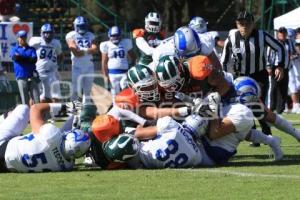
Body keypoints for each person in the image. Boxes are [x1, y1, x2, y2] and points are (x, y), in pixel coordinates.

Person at [221, 11, 286, 143]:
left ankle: (265, 130)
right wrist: (226, 78)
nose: (244, 26)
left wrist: (279, 66)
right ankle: (256, 134)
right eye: (241, 24)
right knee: (245, 106)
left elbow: (279, 47)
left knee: (258, 103)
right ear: (236, 24)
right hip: (241, 77)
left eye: (248, 23)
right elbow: (224, 61)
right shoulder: (232, 39)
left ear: (253, 24)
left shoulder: (262, 36)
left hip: (259, 75)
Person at [0, 102, 91, 172]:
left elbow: (35, 108)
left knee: (23, 109)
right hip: (5, 168)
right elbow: (60, 144)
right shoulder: (68, 165)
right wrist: (76, 115)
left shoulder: (51, 134)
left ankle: (3, 118)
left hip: (3, 145)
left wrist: (69, 107)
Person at [65, 16, 98, 104]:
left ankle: (85, 114)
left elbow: (94, 49)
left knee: (87, 92)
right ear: (75, 26)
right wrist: (88, 50)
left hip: (89, 67)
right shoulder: (71, 35)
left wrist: (82, 50)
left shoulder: (90, 35)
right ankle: (73, 112)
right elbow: (76, 53)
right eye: (79, 26)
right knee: (75, 91)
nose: (81, 28)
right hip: (77, 67)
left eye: (83, 26)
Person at [29, 23, 63, 102]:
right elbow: (27, 52)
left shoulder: (56, 43)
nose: (48, 35)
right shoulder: (35, 41)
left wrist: (56, 66)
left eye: (50, 33)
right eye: (46, 33)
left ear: (53, 33)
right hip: (37, 72)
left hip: (49, 73)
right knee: (34, 97)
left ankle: (49, 113)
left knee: (49, 97)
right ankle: (31, 113)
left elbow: (60, 56)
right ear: (41, 33)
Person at [100, 26, 135, 102]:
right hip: (112, 74)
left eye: (117, 35)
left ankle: (127, 109)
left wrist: (131, 67)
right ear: (109, 35)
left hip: (124, 73)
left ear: (120, 35)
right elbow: (104, 62)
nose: (115, 38)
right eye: (113, 36)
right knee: (114, 95)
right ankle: (116, 110)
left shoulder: (125, 43)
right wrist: (105, 76)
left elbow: (133, 56)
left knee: (126, 92)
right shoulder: (106, 45)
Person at [10, 30, 40, 105]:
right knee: (25, 101)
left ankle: (38, 116)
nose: (22, 39)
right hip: (21, 76)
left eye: (24, 37)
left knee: (37, 100)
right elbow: (16, 58)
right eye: (21, 37)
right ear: (17, 38)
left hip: (32, 76)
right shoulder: (14, 49)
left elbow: (34, 60)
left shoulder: (31, 49)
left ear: (26, 37)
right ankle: (26, 116)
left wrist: (21, 58)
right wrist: (28, 59)